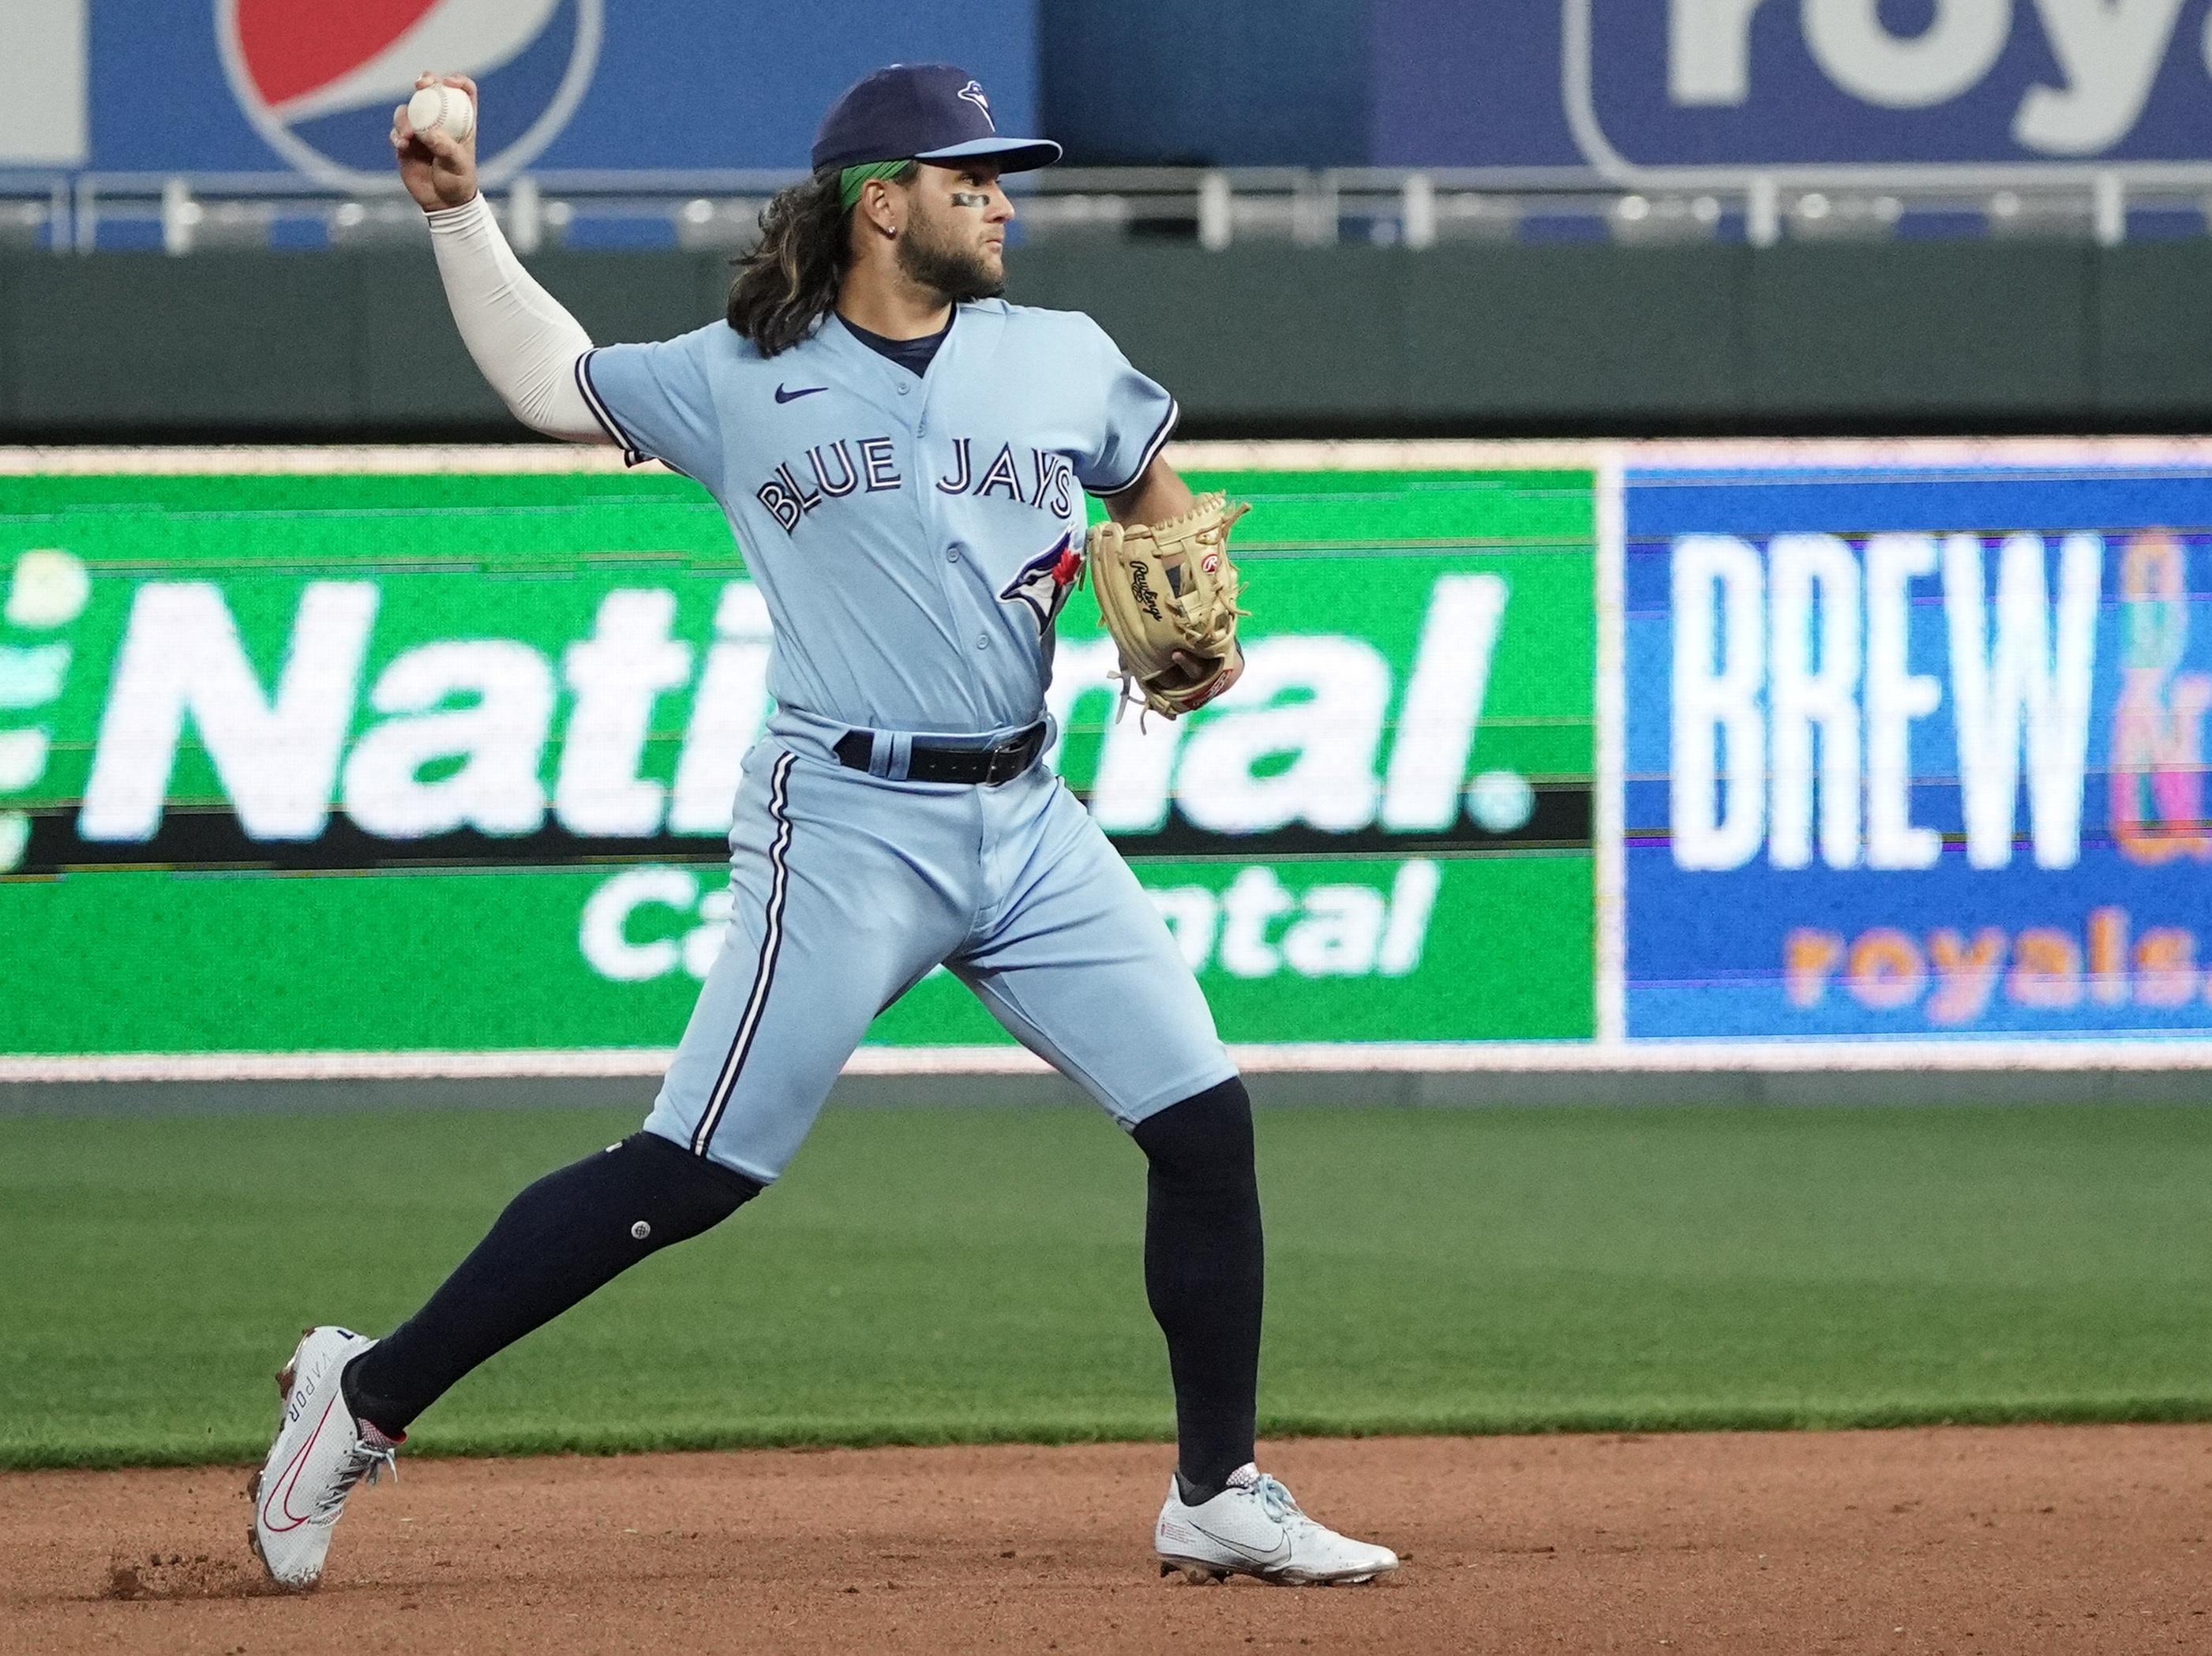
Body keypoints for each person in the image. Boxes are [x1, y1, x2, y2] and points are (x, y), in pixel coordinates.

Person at [249, 62, 1396, 1594]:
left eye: (1003, 173)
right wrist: (459, 217)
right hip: (842, 819)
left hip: (1027, 814)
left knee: (1201, 1122)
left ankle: (1216, 1486)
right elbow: (553, 378)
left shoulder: (1057, 351)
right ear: (881, 202)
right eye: (969, 173)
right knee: (695, 1167)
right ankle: (367, 1391)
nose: (999, 194)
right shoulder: (745, 370)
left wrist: (1179, 607)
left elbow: (1153, 489)